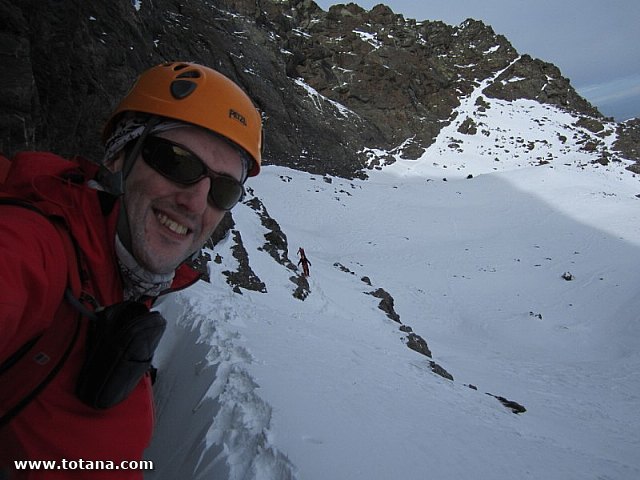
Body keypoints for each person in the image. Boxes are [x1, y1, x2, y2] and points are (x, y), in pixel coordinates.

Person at [0, 62, 262, 478]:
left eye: (223, 189)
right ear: (121, 155)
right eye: (177, 162)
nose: (196, 202)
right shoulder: (36, 247)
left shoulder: (121, 283)